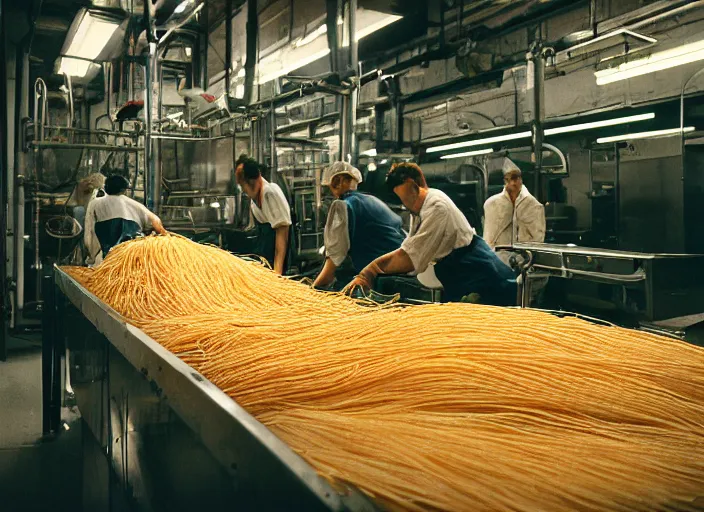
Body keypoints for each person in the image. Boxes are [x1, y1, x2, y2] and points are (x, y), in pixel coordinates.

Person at [346, 162, 516, 305]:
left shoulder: (436, 207)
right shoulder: (420, 207)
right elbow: (411, 247)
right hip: (458, 271)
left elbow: (411, 258)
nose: (407, 206)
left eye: (408, 200)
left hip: (480, 273)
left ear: (415, 186)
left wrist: (370, 271)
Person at [313, 162, 406, 289]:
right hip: (402, 268)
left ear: (337, 182)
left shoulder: (342, 206)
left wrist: (314, 288)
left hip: (379, 278)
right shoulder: (372, 200)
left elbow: (334, 260)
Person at [84, 174, 167, 264]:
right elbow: (155, 221)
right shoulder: (135, 204)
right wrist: (164, 234)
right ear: (124, 190)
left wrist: (91, 257)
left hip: (107, 258)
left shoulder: (95, 203)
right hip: (132, 255)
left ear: (105, 187)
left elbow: (89, 233)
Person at [483, 158, 546, 266]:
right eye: (508, 179)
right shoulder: (491, 204)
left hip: (525, 262)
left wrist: (527, 258)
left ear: (521, 179)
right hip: (497, 260)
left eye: (515, 178)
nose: (512, 183)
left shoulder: (534, 206)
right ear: (505, 181)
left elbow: (538, 238)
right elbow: (489, 236)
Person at [235, 156, 292, 274]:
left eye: (242, 184)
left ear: (252, 181)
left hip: (278, 255)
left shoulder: (269, 193)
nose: (242, 190)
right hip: (266, 252)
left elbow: (282, 233)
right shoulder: (255, 197)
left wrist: (278, 272)